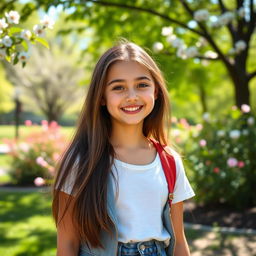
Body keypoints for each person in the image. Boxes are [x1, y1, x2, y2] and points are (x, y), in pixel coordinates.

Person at [52, 40, 195, 256]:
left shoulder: (170, 161)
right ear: (101, 97)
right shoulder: (81, 161)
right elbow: (67, 245)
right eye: (118, 87)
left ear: (155, 91)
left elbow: (179, 242)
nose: (131, 96)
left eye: (142, 85)